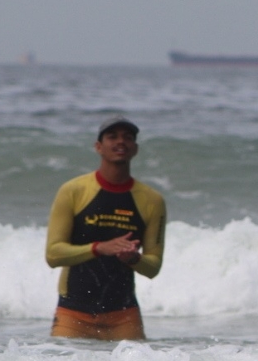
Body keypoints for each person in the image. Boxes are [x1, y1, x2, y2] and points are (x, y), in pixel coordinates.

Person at [45, 115, 167, 340]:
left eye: (127, 137)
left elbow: (154, 267)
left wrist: (134, 259)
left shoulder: (152, 200)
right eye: (112, 136)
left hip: (124, 316)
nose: (120, 142)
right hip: (73, 313)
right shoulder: (73, 190)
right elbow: (53, 254)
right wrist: (99, 248)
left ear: (135, 149)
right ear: (98, 147)